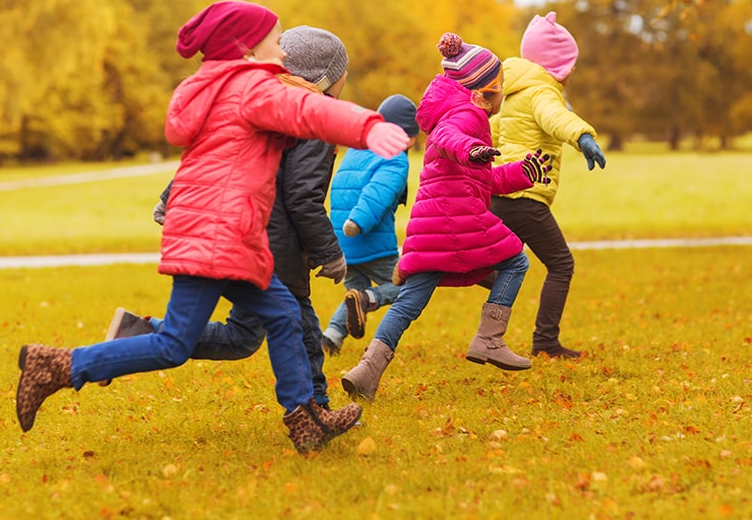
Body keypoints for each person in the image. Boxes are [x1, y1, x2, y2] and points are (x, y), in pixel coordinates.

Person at [15, 0, 409, 455]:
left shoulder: (225, 90)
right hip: (218, 236)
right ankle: (59, 365)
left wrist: (170, 200)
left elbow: (213, 153)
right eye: (275, 42)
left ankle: (306, 419)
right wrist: (368, 126)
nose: (282, 52)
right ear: (247, 50)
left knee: (281, 317)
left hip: (230, 236)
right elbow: (315, 114)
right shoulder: (256, 91)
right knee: (175, 344)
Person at [105, 25, 353, 409]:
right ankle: (314, 408)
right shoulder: (314, 119)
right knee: (300, 323)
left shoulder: (254, 100)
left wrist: (170, 199)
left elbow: (218, 153)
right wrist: (330, 253)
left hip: (244, 231)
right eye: (342, 80)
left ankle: (136, 334)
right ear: (324, 80)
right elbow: (303, 197)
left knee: (242, 337)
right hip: (273, 243)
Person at [341, 32, 552, 401]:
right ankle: (489, 339)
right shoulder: (466, 115)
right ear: (483, 91)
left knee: (408, 301)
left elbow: (481, 181)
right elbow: (450, 141)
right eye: (500, 86)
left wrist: (523, 172)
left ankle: (366, 371)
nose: (502, 93)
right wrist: (473, 149)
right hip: (457, 219)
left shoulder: (456, 113)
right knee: (516, 262)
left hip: (434, 224)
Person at [489, 11, 606, 359]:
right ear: (560, 67)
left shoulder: (511, 92)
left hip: (500, 193)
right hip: (526, 196)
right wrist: (582, 136)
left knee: (506, 262)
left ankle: (484, 291)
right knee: (561, 264)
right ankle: (545, 342)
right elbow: (555, 118)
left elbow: (493, 132)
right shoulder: (541, 91)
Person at [321, 94, 419, 356]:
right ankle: (371, 299)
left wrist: (346, 229)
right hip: (369, 240)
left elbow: (343, 189)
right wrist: (358, 222)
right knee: (408, 286)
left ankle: (331, 335)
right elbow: (377, 193)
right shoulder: (394, 158)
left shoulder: (356, 151)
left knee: (355, 290)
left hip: (343, 244)